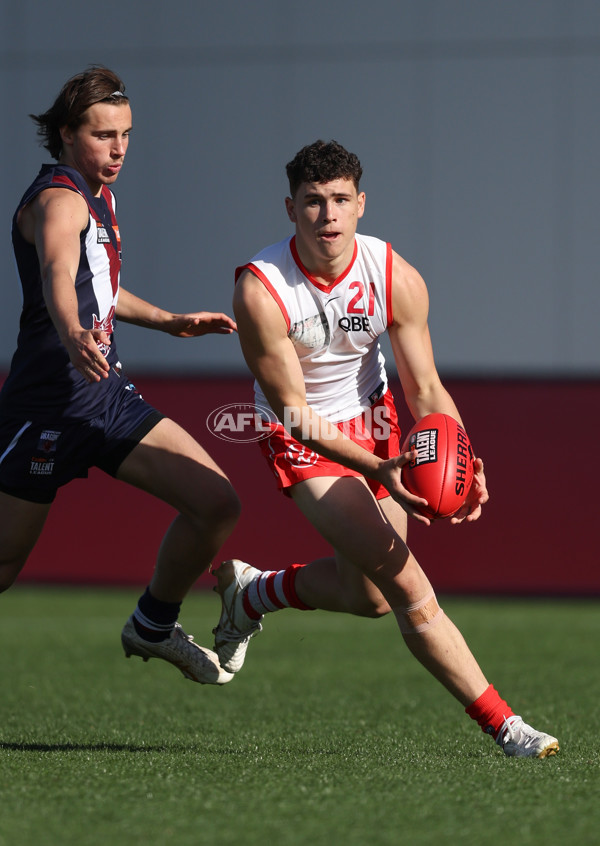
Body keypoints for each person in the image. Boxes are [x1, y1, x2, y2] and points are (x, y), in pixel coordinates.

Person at [212, 139, 559, 757]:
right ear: (289, 208)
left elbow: (425, 387)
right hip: (303, 439)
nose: (328, 215)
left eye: (341, 199)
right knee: (406, 585)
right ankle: (507, 726)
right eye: (313, 202)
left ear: (362, 203)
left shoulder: (393, 273)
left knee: (368, 595)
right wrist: (381, 468)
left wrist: (462, 458)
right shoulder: (261, 290)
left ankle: (253, 592)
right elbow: (294, 411)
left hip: (377, 425)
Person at [0, 66, 238, 686]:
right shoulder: (59, 199)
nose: (119, 148)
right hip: (45, 408)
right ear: (64, 133)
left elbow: (95, 282)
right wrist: (71, 330)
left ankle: (153, 624)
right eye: (105, 135)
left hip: (106, 398)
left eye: (126, 135)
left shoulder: (99, 193)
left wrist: (167, 321)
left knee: (215, 502)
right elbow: (58, 270)